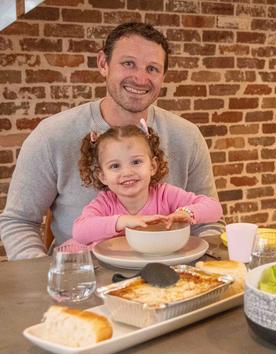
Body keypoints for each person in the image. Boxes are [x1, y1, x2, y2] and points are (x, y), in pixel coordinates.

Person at [0, 22, 221, 260]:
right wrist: (47, 277)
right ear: (103, 64)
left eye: (152, 68)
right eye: (128, 63)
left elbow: (210, 221)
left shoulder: (187, 136)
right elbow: (19, 221)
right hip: (83, 277)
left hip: (169, 275)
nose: (140, 78)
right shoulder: (52, 134)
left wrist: (201, 269)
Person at [72, 124, 222, 244]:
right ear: (103, 176)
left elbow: (214, 207)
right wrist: (124, 221)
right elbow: (79, 232)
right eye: (115, 166)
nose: (127, 172)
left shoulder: (165, 195)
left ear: (152, 166)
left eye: (136, 162)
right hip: (115, 270)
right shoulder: (105, 203)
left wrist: (187, 213)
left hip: (160, 264)